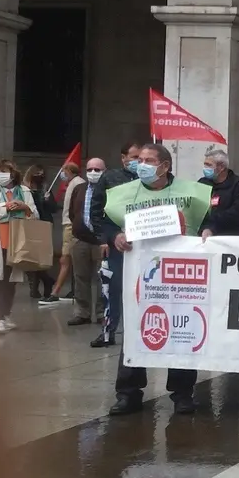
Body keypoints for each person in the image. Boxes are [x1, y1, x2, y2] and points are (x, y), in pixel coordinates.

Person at [103, 143, 211, 416]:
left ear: (165, 166)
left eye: (149, 160)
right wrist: (114, 236)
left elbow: (210, 219)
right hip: (139, 274)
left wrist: (209, 230)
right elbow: (104, 221)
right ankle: (128, 393)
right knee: (135, 329)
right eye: (139, 159)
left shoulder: (192, 193)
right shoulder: (123, 194)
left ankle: (182, 394)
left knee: (182, 330)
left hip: (179, 275)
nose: (142, 164)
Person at [90, 142, 141, 348]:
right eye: (135, 157)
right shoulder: (110, 178)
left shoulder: (151, 180)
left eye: (143, 158)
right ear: (123, 158)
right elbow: (96, 212)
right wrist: (104, 238)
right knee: (113, 289)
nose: (139, 162)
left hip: (144, 244)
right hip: (117, 243)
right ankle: (108, 332)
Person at [0, 160, 37, 335]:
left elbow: (35, 215)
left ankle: (6, 315)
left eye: (4, 172)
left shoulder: (24, 191)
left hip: (17, 243)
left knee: (11, 281)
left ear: (13, 174)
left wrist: (25, 207)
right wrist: (5, 207)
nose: (0, 175)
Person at [66, 158, 105, 326]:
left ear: (104, 171)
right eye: (90, 169)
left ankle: (102, 313)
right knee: (80, 277)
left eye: (97, 169)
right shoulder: (79, 189)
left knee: (103, 278)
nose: (93, 172)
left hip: (101, 241)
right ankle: (82, 313)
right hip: (80, 240)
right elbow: (72, 212)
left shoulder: (109, 189)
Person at [45, 161, 84, 305]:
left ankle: (55, 292)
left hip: (70, 225)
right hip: (68, 224)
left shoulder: (77, 183)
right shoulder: (73, 184)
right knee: (70, 259)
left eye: (64, 171)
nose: (62, 174)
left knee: (65, 258)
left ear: (69, 171)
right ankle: (72, 291)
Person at [198, 148, 239, 237]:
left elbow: (237, 214)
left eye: (209, 165)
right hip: (202, 235)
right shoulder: (203, 183)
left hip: (229, 237)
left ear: (221, 167)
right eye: (205, 165)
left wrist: (212, 226)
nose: (205, 168)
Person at [22, 165, 56, 302]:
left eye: (42, 174)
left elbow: (54, 208)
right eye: (37, 174)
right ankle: (44, 282)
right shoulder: (24, 189)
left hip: (44, 224)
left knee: (39, 258)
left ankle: (38, 286)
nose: (39, 177)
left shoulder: (46, 189)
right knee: (28, 257)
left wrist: (48, 200)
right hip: (29, 224)